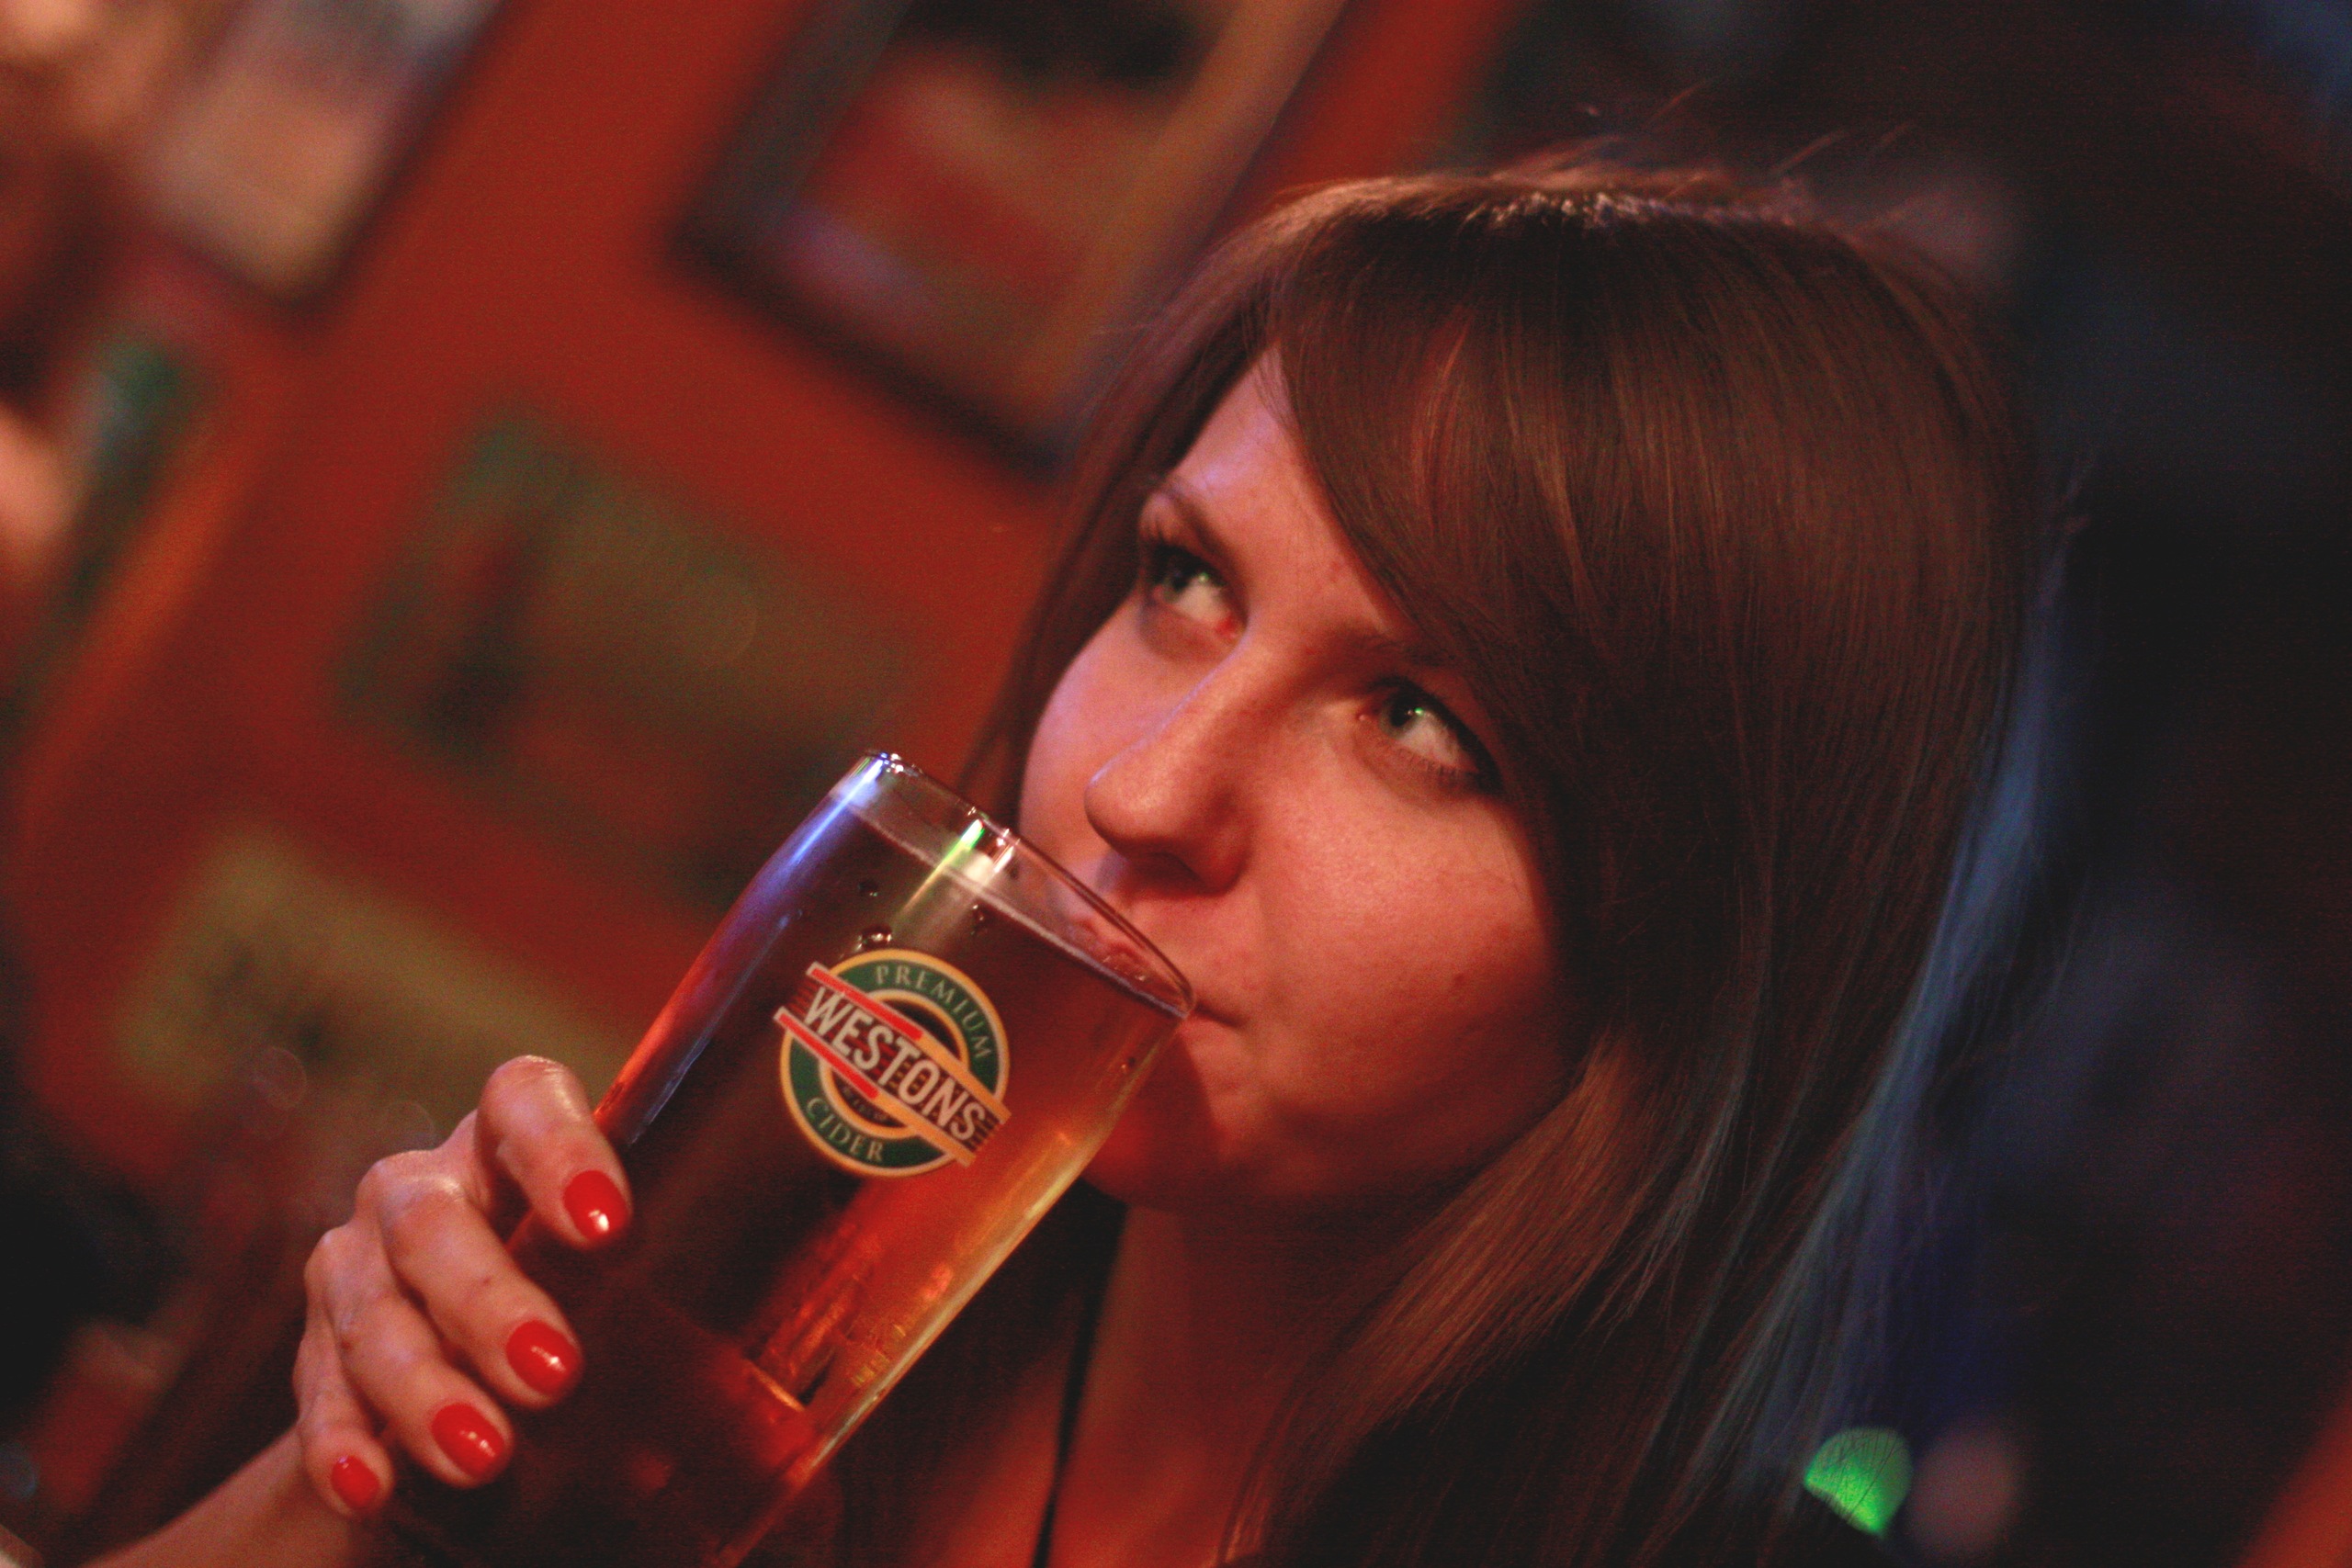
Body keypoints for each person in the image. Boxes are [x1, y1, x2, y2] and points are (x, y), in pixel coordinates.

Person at [94, 154, 2032, 1568]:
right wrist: (360, 1495)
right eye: (1185, 580)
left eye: (1419, 721)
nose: (1142, 789)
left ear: (1694, 944)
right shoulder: (770, 1312)